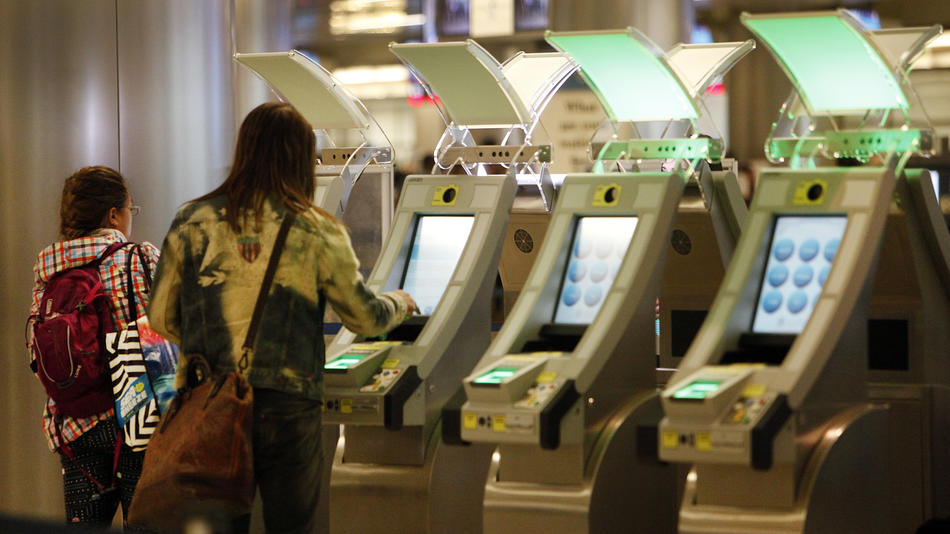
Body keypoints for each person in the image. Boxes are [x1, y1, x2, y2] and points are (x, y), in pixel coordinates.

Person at [147, 101, 418, 533]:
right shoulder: (317, 228)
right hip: (289, 405)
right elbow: (364, 318)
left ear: (244, 150)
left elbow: (161, 316)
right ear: (301, 158)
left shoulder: (192, 221)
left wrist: (210, 342)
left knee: (216, 524)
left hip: (212, 400)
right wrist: (400, 302)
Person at [27, 166, 160, 527]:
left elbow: (37, 353)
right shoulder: (139, 258)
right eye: (130, 209)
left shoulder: (48, 271)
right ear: (113, 215)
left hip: (75, 425)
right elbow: (171, 333)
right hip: (139, 423)